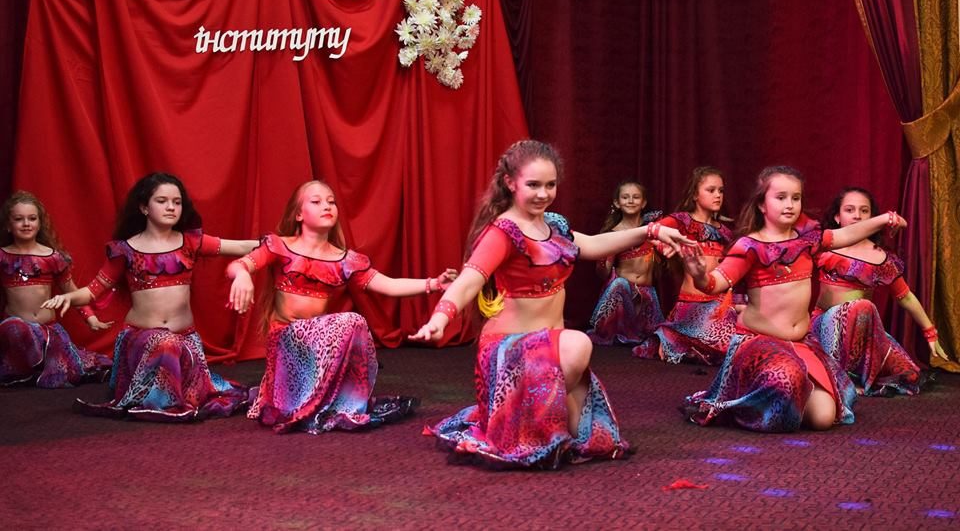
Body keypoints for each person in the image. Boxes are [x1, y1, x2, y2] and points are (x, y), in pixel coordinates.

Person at [411, 139, 694, 468]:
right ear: (510, 183)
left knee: (583, 437)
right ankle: (513, 413)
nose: (543, 194)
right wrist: (440, 318)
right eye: (533, 185)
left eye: (550, 185)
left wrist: (651, 231)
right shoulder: (503, 232)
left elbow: (593, 245)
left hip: (551, 352)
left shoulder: (554, 225)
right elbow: (469, 280)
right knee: (579, 344)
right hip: (512, 352)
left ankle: (519, 416)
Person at [680, 166, 904, 432]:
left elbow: (845, 235)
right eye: (781, 197)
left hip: (799, 343)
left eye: (795, 198)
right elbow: (715, 283)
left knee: (823, 418)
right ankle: (750, 395)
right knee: (789, 378)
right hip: (759, 342)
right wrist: (699, 275)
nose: (789, 204)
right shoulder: (750, 246)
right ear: (762, 204)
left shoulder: (808, 241)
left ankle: (788, 394)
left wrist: (884, 219)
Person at [226, 180, 457, 434]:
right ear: (299, 214)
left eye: (331, 202)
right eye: (316, 202)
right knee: (351, 320)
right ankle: (314, 400)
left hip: (318, 346)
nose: (326, 206)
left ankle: (344, 404)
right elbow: (237, 265)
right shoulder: (280, 246)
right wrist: (243, 275)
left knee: (352, 323)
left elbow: (389, 285)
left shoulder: (343, 259)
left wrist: (434, 283)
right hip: (287, 342)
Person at [43, 172, 257, 422]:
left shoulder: (191, 242)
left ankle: (174, 393)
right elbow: (92, 291)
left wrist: (279, 244)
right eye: (162, 201)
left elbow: (240, 246)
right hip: (142, 340)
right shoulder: (125, 250)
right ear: (144, 207)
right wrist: (69, 298)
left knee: (188, 367)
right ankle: (158, 399)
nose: (171, 207)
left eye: (177, 202)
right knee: (166, 343)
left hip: (185, 339)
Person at [810, 187, 949, 396]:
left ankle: (856, 373)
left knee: (909, 375)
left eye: (864, 211)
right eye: (849, 210)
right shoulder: (824, 247)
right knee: (862, 306)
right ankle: (839, 378)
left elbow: (905, 296)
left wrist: (930, 332)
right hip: (822, 328)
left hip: (863, 333)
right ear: (837, 217)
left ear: (872, 218)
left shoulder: (881, 258)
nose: (857, 216)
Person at [1, 191, 111, 387]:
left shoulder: (53, 257)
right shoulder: (3, 257)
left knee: (69, 370)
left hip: (47, 332)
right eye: (18, 219)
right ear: (8, 225)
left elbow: (72, 292)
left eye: (32, 218)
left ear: (40, 223)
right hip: (16, 333)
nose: (26, 224)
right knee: (15, 326)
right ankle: (25, 368)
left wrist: (91, 318)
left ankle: (43, 367)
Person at [651, 167, 737, 365]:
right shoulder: (682, 221)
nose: (718, 195)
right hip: (692, 303)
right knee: (725, 342)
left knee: (738, 339)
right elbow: (651, 232)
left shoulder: (725, 232)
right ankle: (676, 336)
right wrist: (664, 246)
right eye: (711, 190)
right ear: (695, 195)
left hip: (720, 304)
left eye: (721, 191)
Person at [586, 180, 664, 354]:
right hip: (623, 294)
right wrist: (604, 255)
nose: (630, 201)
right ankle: (616, 329)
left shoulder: (652, 228)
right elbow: (603, 274)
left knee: (651, 333)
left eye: (636, 197)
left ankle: (636, 330)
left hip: (646, 294)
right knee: (619, 283)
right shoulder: (613, 233)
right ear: (617, 203)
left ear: (643, 202)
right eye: (625, 197)